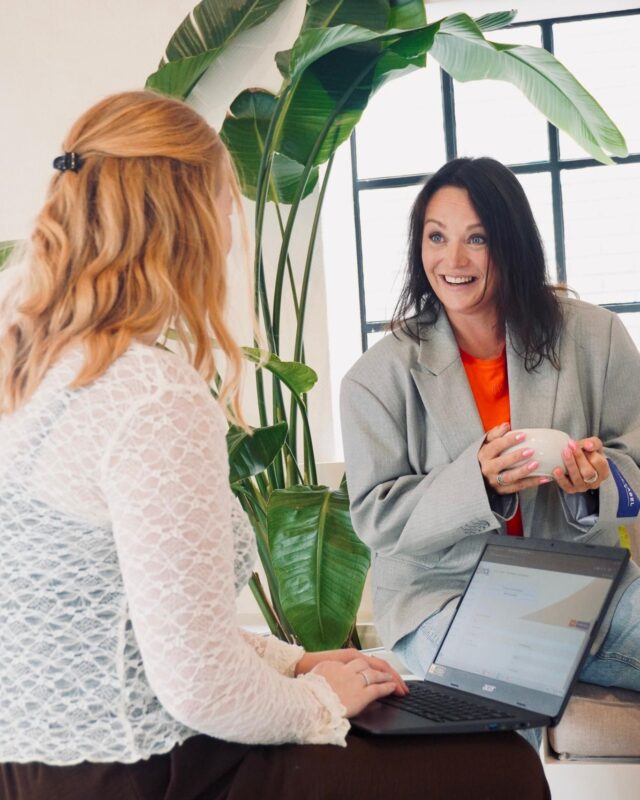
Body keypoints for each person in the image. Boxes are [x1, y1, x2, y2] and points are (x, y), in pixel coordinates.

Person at [0, 96, 551, 799]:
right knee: (501, 766)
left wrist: (293, 664)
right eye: (229, 203)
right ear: (189, 217)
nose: (233, 227)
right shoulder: (151, 395)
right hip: (137, 770)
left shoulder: (31, 366)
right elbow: (197, 684)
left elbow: (139, 624)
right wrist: (325, 702)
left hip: (36, 766)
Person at [341, 156, 640, 714]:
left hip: (586, 582)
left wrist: (593, 483)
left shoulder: (596, 338)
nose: (452, 260)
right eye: (436, 237)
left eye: (476, 239)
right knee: (509, 679)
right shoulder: (375, 377)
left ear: (511, 245)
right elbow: (375, 517)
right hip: (444, 594)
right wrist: (476, 481)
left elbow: (636, 468)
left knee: (529, 661)